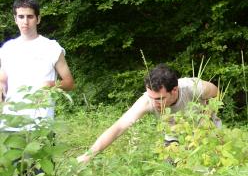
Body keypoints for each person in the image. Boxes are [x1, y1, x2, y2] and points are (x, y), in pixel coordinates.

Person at [77, 63, 219, 163]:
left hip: (207, 131)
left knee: (213, 167)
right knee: (173, 172)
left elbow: (216, 93)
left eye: (159, 99)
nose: (155, 103)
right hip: (175, 136)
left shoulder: (193, 87)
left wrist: (205, 119)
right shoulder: (147, 100)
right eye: (152, 98)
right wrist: (88, 156)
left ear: (174, 90)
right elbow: (119, 127)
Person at [0, 0, 74, 129]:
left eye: (30, 17)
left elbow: (69, 83)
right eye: (21, 17)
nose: (25, 22)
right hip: (11, 122)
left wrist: (50, 84)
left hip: (40, 123)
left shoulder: (52, 48)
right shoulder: (7, 48)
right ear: (15, 19)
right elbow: (3, 79)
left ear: (38, 19)